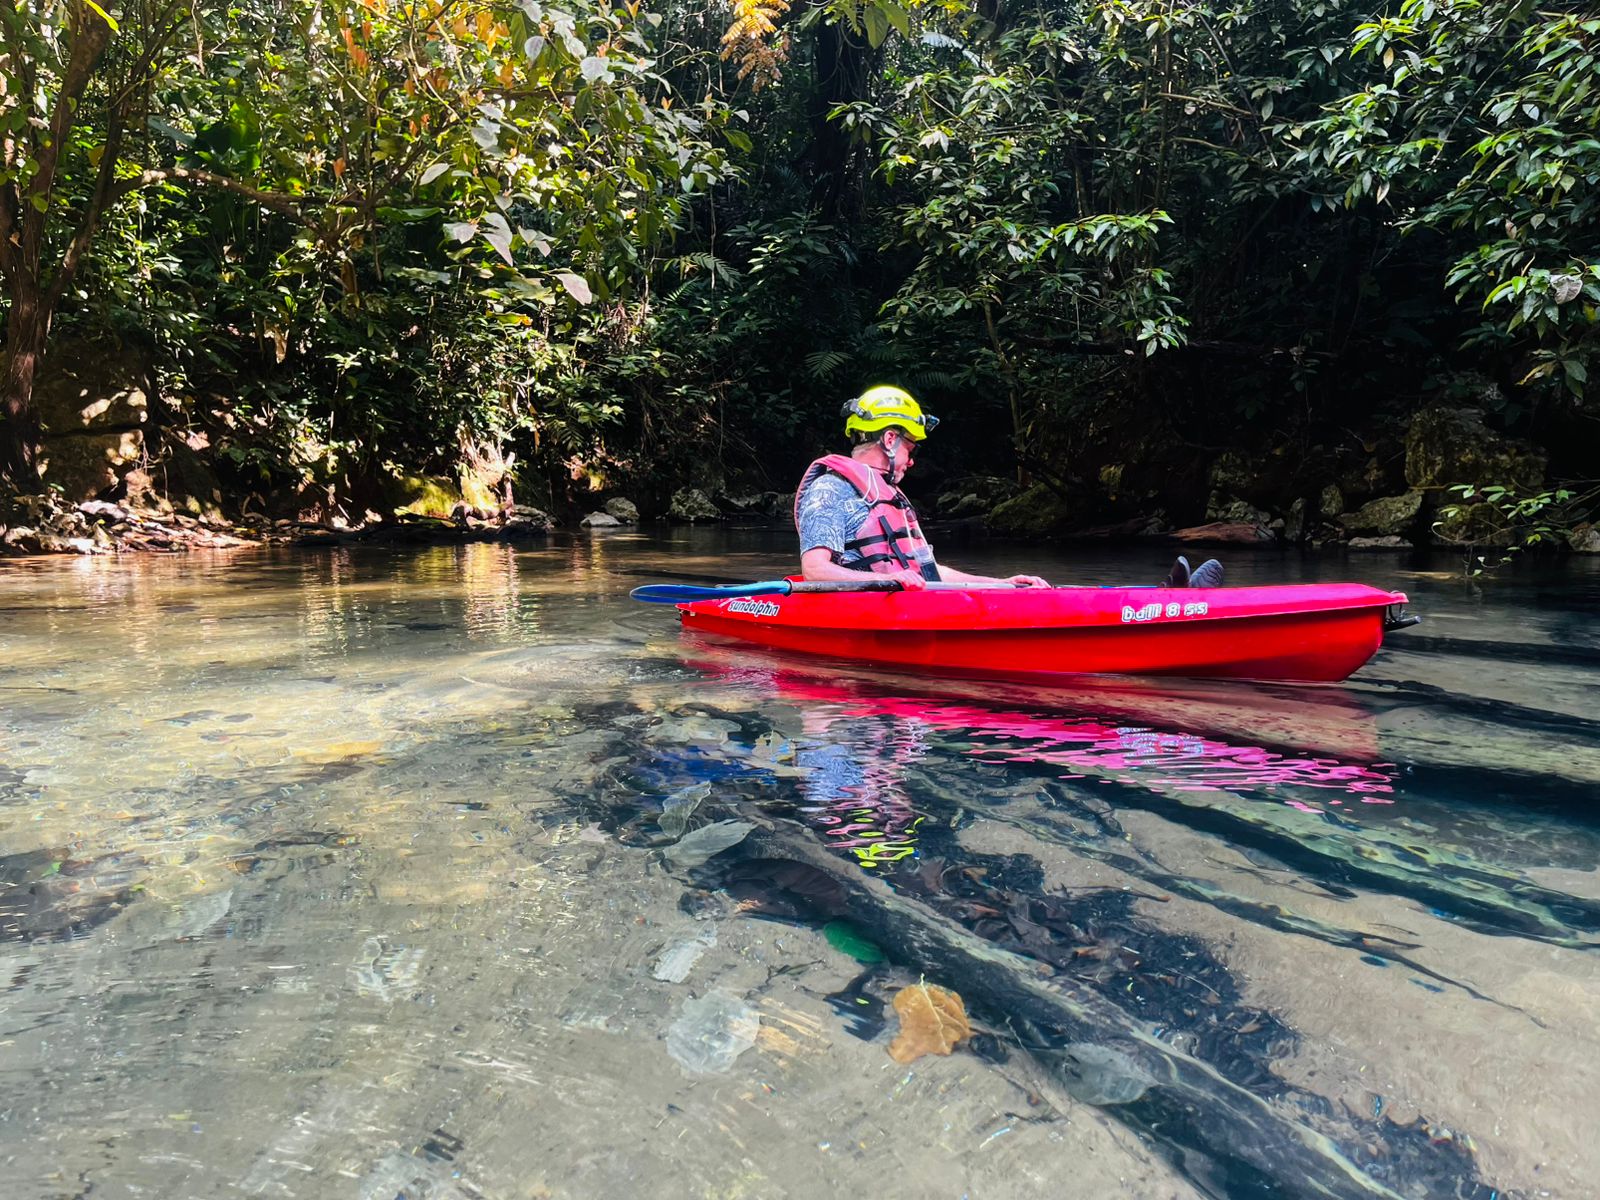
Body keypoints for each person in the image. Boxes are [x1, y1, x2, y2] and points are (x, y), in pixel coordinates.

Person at [795, 385, 1050, 591]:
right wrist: (888, 579)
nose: (912, 461)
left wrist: (1001, 584)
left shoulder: (892, 496)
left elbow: (929, 572)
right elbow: (815, 570)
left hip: (902, 606)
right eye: (911, 449)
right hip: (856, 611)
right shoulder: (830, 489)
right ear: (890, 439)